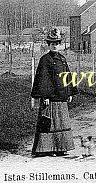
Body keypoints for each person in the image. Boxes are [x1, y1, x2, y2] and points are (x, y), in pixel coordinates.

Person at [30, 27, 78, 157]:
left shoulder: (62, 59)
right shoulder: (45, 60)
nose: (55, 46)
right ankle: (47, 149)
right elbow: (43, 78)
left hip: (61, 97)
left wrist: (70, 93)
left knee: (61, 122)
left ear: (59, 44)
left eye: (57, 43)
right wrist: (44, 96)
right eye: (52, 44)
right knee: (49, 123)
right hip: (50, 98)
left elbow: (67, 76)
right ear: (48, 45)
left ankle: (61, 148)